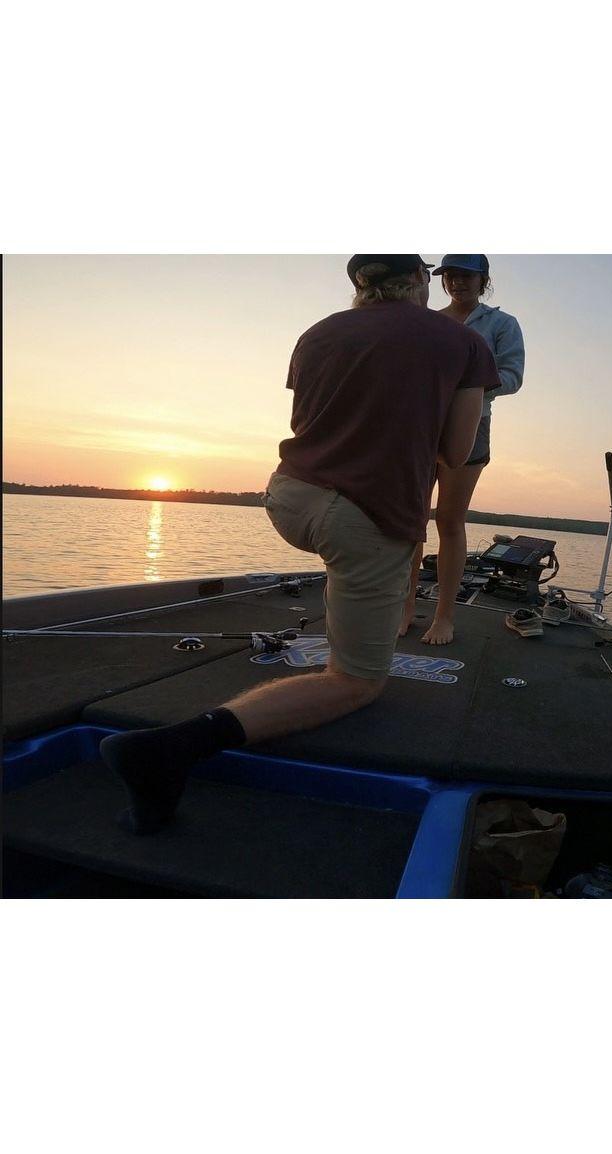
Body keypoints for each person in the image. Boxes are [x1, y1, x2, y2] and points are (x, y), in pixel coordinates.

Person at [100, 254, 498, 834]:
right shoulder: (462, 342)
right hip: (364, 515)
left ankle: (353, 609)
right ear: (418, 282)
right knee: (358, 679)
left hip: (289, 499)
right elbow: (456, 453)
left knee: (349, 566)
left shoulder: (318, 333)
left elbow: (319, 418)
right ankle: (166, 751)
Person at [400, 254, 525, 645]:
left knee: (449, 522)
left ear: (483, 280)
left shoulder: (503, 324)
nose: (457, 282)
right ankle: (404, 608)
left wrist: (467, 386)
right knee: (410, 522)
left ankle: (445, 616)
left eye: (466, 276)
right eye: (450, 276)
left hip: (472, 425)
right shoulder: (428, 320)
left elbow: (513, 376)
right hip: (419, 427)